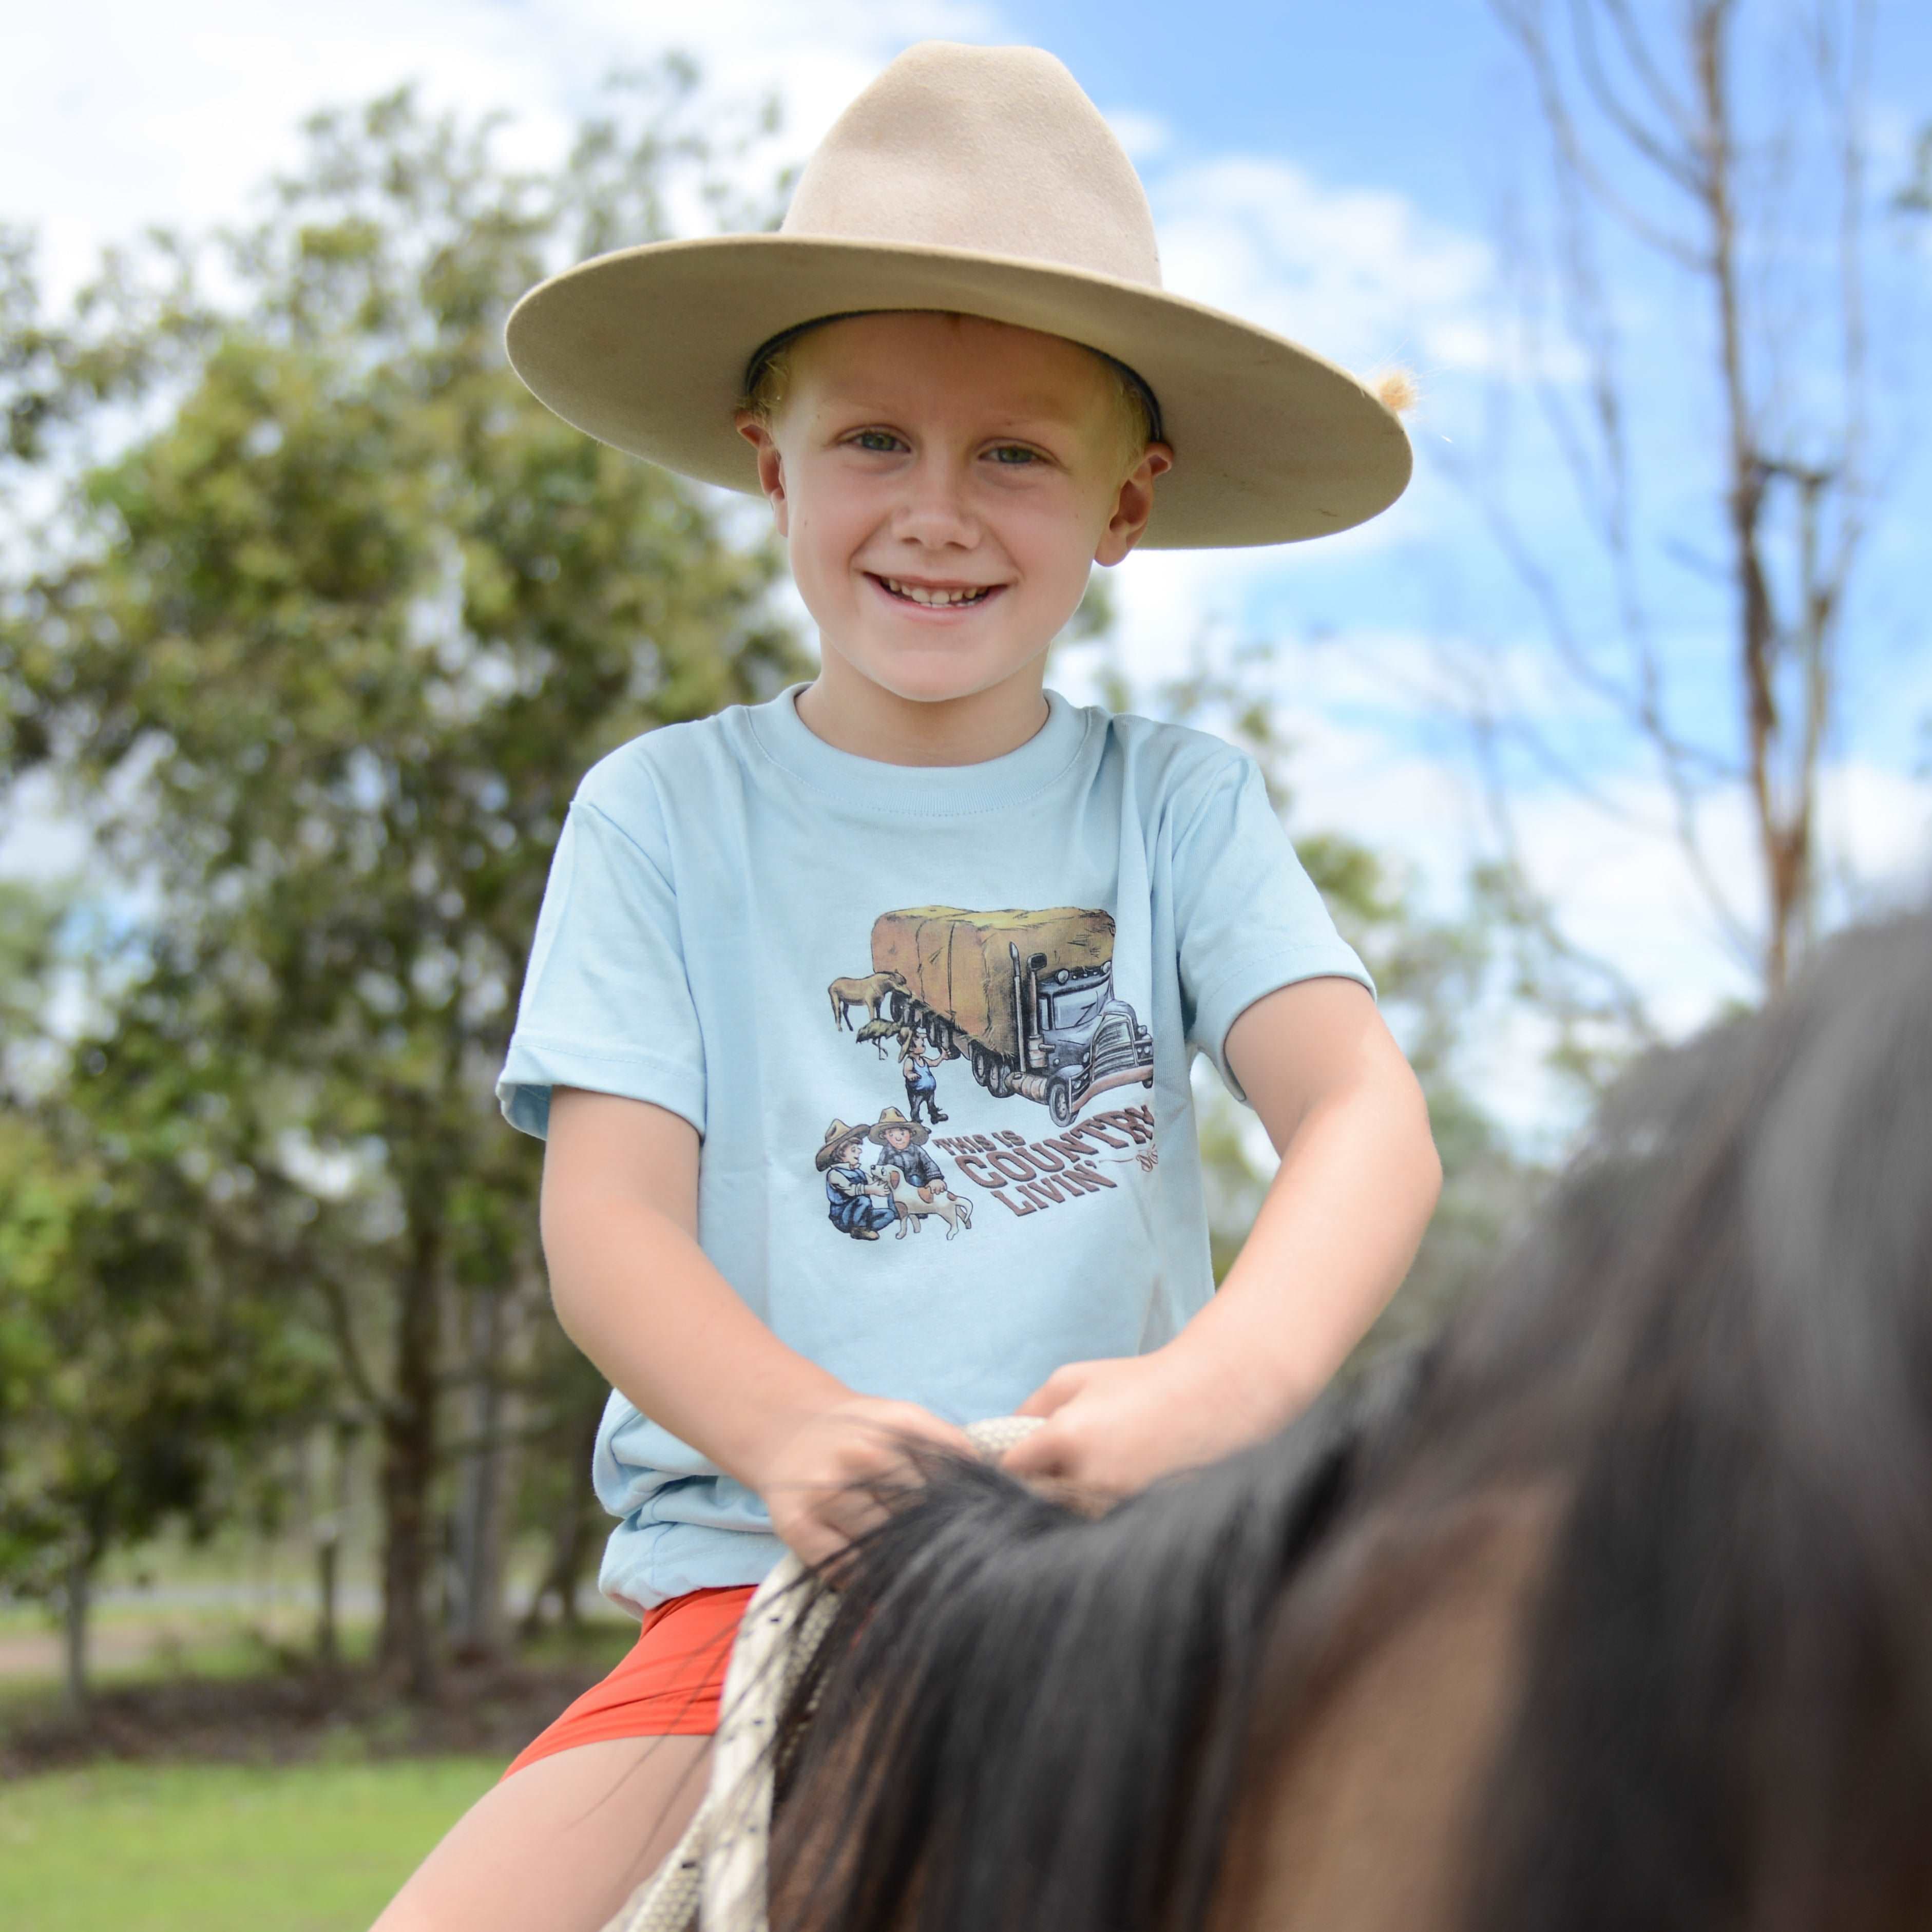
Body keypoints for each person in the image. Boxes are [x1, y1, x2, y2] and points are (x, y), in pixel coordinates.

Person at [374, 40, 1440, 1932]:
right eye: (875, 439)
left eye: (1014, 452)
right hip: (757, 1587)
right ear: (769, 466)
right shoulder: (663, 815)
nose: (936, 510)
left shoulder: (1175, 806)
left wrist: (1215, 1389)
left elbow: (1360, 1117)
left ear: (1123, 506)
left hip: (1125, 1571)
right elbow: (607, 1224)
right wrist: (796, 1439)